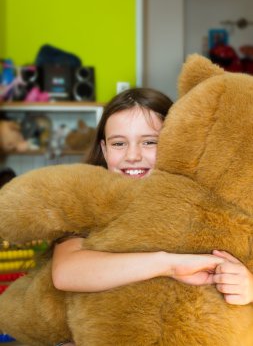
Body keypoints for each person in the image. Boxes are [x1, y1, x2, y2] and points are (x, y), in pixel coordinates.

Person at [52, 88, 253, 346]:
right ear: (103, 148)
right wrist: (169, 264)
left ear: (177, 141)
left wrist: (248, 285)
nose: (132, 155)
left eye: (149, 142)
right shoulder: (84, 202)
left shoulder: (212, 200)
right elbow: (66, 272)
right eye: (118, 143)